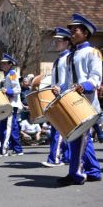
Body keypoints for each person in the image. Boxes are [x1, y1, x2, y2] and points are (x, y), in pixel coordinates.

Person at [56, 13, 102, 185]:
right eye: (71, 30)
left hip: (86, 102)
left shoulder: (93, 52)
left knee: (77, 138)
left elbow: (96, 78)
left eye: (75, 30)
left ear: (85, 33)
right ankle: (94, 171)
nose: (72, 33)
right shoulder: (69, 56)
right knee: (82, 138)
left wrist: (84, 86)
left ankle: (75, 174)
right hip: (72, 101)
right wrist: (60, 89)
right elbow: (67, 82)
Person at [41, 27, 71, 167]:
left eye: (58, 41)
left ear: (67, 42)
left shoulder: (69, 58)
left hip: (64, 96)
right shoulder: (58, 60)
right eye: (55, 40)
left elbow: (70, 80)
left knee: (58, 130)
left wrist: (62, 89)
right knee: (62, 129)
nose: (55, 43)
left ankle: (55, 158)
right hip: (57, 97)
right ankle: (66, 157)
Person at [0, 53, 23, 157]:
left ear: (10, 64)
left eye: (4, 63)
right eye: (2, 63)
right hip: (8, 104)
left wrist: (7, 90)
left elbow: (18, 89)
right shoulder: (7, 74)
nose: (2, 65)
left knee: (7, 127)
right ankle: (17, 149)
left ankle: (3, 150)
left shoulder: (12, 73)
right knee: (12, 127)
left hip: (11, 105)